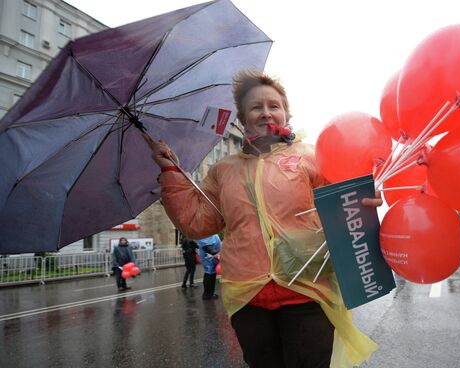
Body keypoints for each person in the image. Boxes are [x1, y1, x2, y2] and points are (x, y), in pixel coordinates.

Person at [145, 69, 381, 368]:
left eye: (274, 106)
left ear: (286, 113)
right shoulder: (223, 170)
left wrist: (364, 204)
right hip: (248, 295)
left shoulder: (311, 157)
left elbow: (343, 208)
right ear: (243, 118)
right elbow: (198, 223)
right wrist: (170, 172)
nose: (267, 113)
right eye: (256, 107)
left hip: (306, 289)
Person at [198, 234, 221, 300]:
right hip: (209, 260)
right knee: (210, 277)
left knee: (209, 275)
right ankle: (207, 295)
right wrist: (215, 254)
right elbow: (207, 246)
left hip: (211, 260)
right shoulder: (207, 233)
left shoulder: (211, 233)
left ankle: (209, 294)